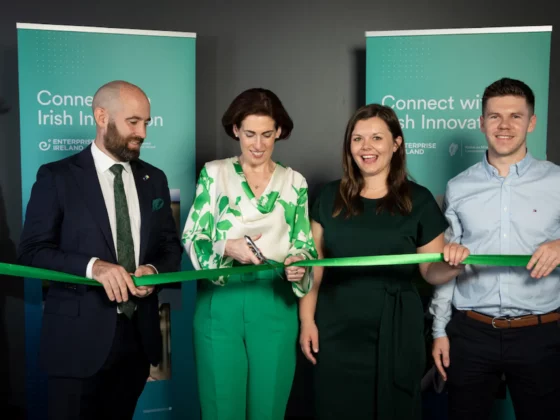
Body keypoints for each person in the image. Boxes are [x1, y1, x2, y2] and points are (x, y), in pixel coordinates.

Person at [18, 80, 182, 419]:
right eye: (133, 122)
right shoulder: (57, 177)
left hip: (138, 341)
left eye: (146, 123)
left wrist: (154, 272)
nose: (142, 134)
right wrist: (94, 267)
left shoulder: (156, 178)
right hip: (76, 345)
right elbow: (33, 251)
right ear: (102, 116)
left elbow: (169, 247)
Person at [299, 104, 469, 419]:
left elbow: (430, 272)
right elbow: (314, 268)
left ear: (396, 143)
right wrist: (307, 320)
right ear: (348, 146)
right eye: (358, 138)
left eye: (377, 137)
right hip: (336, 330)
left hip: (397, 329)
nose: (367, 147)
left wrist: (454, 264)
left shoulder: (418, 200)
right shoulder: (328, 197)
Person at [182, 88, 317, 420]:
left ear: (279, 132)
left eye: (267, 134)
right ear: (235, 131)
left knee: (268, 410)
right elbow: (192, 236)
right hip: (220, 299)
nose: (258, 144)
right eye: (250, 134)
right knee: (220, 409)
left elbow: (304, 247)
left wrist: (299, 266)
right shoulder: (213, 173)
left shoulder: (295, 182)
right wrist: (227, 247)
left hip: (273, 301)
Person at [429, 77, 560, 420]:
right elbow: (448, 264)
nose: (504, 126)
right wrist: (439, 330)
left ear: (531, 122)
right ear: (481, 122)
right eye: (494, 116)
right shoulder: (458, 187)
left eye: (515, 116)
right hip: (471, 333)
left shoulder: (557, 181)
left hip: (541, 333)